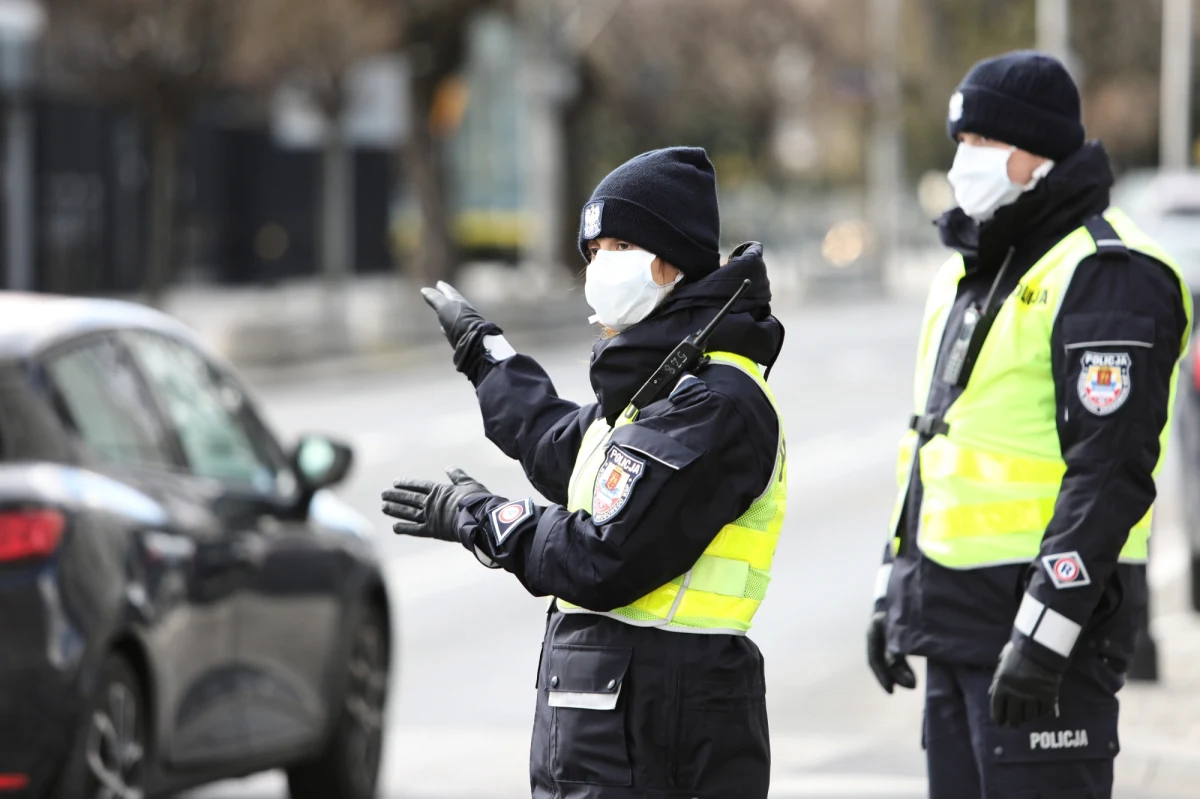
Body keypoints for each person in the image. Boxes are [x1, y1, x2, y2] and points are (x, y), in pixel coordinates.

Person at [381, 147, 786, 798]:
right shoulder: (648, 392)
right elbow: (558, 443)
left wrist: (484, 517)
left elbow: (606, 557)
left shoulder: (716, 402)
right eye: (591, 250)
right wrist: (487, 356)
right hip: (618, 726)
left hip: (664, 736)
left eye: (618, 245)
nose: (599, 266)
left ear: (667, 262)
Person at [866, 50, 1193, 798]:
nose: (961, 164)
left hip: (1045, 629)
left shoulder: (1108, 274)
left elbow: (1108, 474)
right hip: (954, 621)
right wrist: (895, 591)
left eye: (979, 145)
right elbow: (933, 444)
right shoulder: (968, 271)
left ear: (1033, 153)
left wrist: (1046, 634)